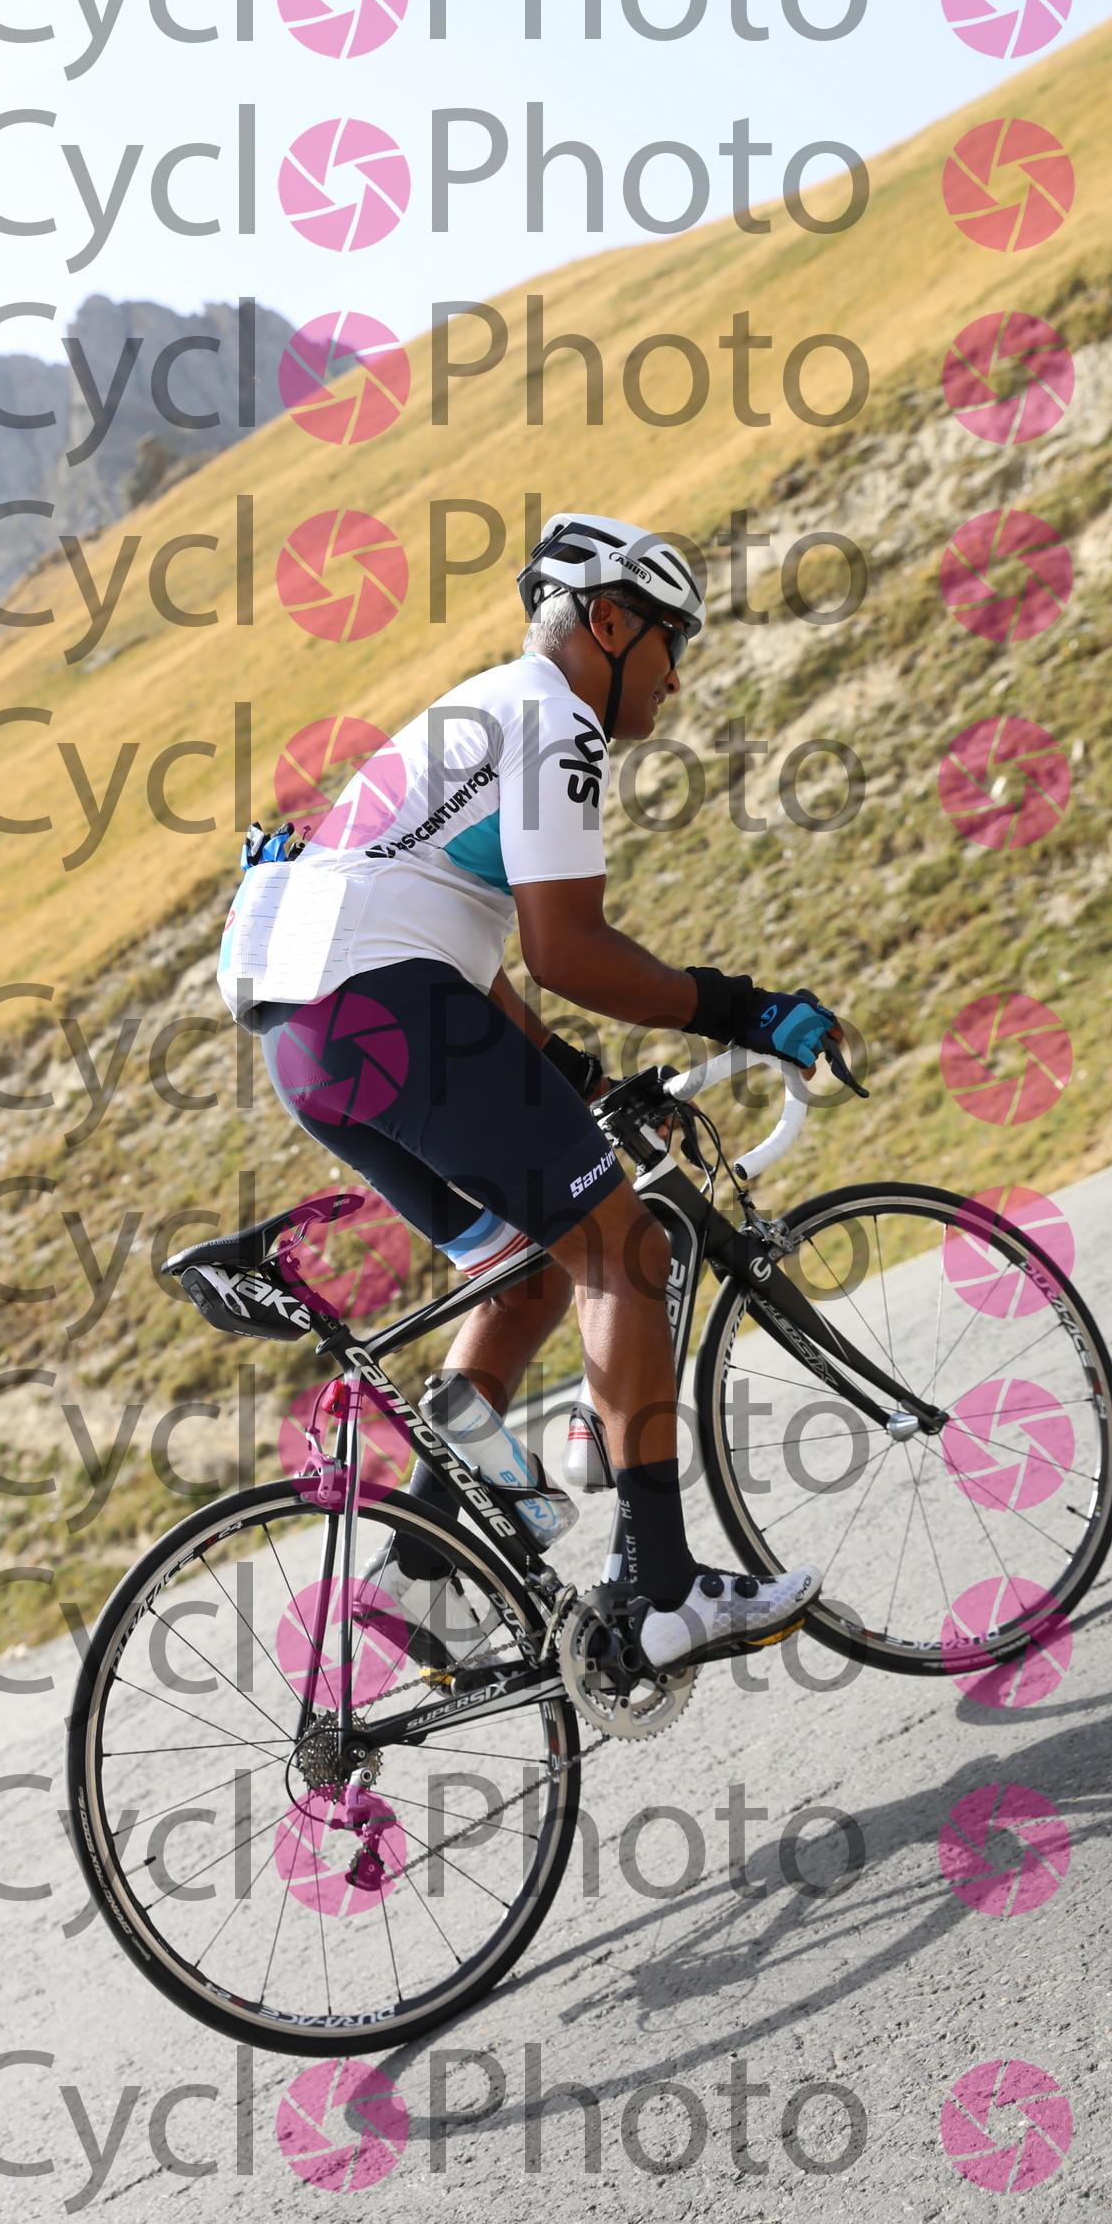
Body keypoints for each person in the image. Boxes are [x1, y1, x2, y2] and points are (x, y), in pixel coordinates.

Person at [250, 512, 833, 1671]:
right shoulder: (555, 717)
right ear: (607, 623)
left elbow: (457, 947)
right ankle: (663, 1592)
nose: (677, 674)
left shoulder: (477, 713)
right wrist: (740, 1007)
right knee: (622, 1251)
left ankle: (418, 1577)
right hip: (388, 1009)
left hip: (310, 1043)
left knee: (528, 1273)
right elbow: (565, 951)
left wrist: (577, 1078)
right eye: (671, 640)